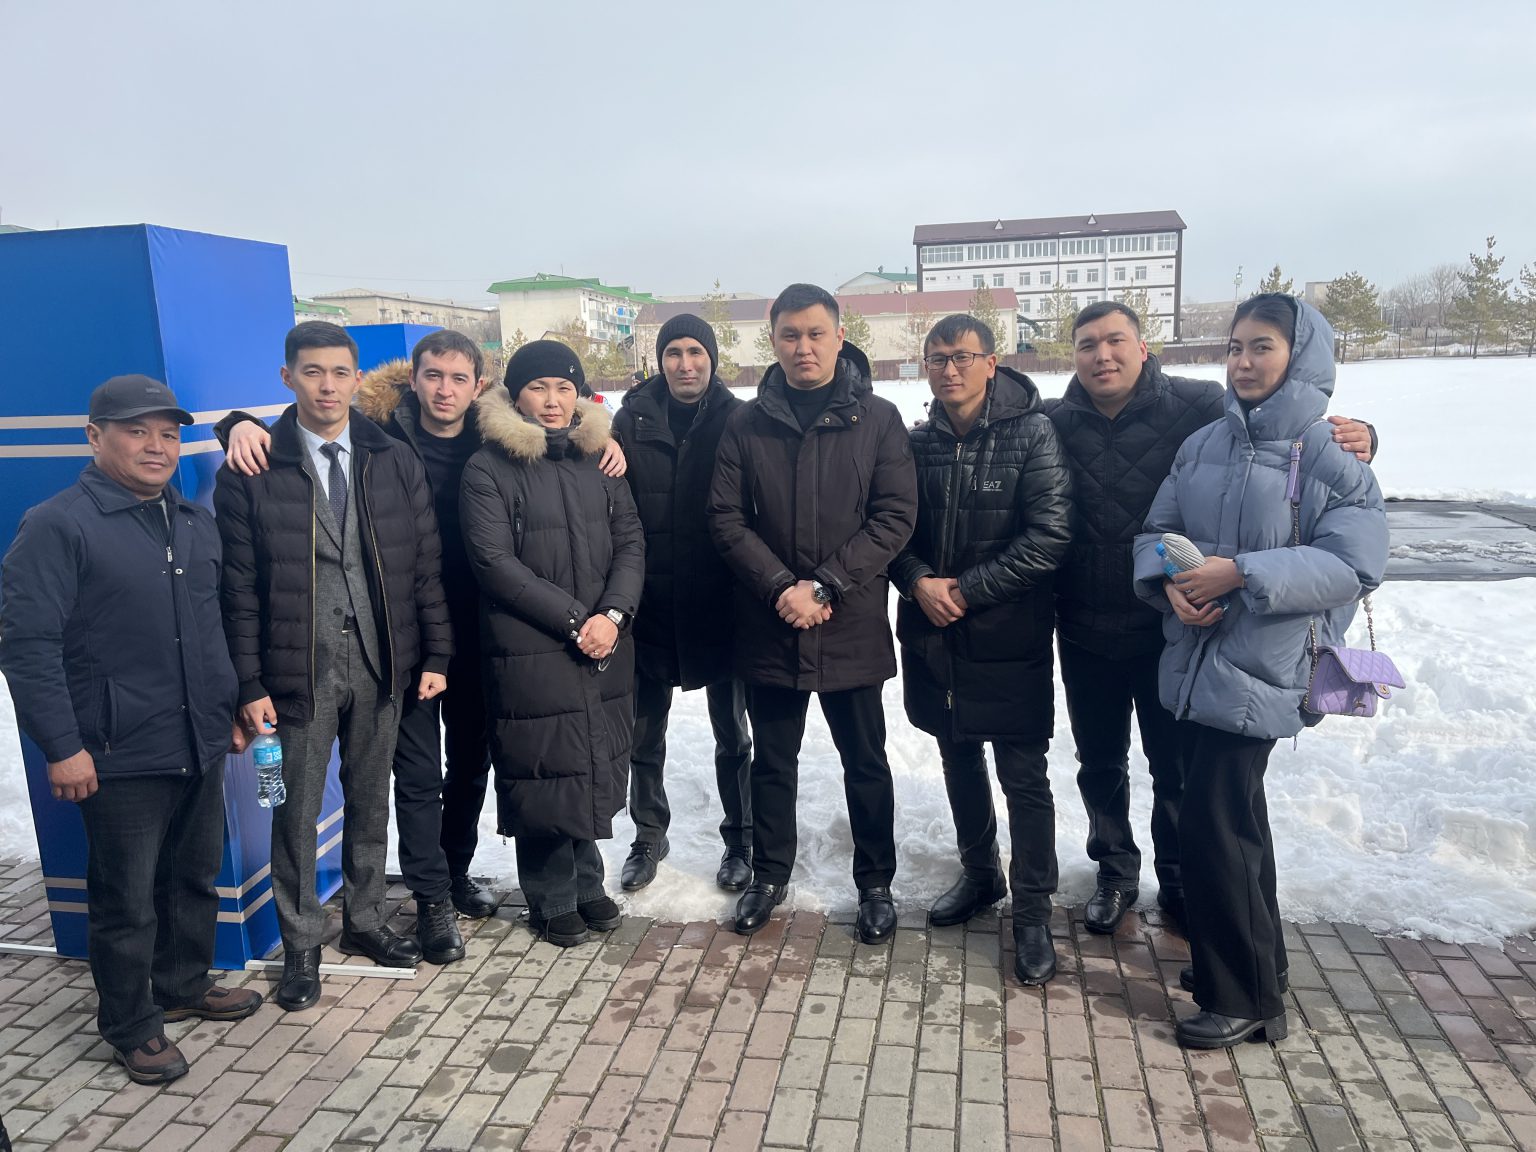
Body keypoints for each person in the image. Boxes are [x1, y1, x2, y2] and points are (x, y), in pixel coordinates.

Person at [219, 333, 630, 949]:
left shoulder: (496, 437)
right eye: (433, 376)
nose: (445, 390)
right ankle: (430, 895)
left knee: (470, 764)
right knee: (415, 774)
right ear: (411, 379)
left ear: (480, 386)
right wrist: (238, 425)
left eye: (459, 379)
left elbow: (558, 440)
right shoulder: (384, 436)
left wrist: (599, 436)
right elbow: (317, 414)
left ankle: (455, 873)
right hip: (401, 633)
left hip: (489, 630)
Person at [1047, 301, 1377, 936]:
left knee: (1176, 768)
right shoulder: (1055, 421)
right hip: (1085, 623)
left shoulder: (1195, 406)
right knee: (1100, 763)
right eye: (1087, 344)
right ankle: (1115, 872)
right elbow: (1000, 418)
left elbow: (1274, 426)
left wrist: (1363, 434)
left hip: (1179, 631)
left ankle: (1180, 878)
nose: (1101, 355)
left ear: (1143, 347)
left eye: (1115, 340)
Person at [1133, 294, 1387, 1049]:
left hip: (1267, 667)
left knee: (1216, 827)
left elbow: (1353, 564)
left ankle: (1240, 997)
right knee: (1232, 824)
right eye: (1235, 347)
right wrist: (1172, 585)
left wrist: (1240, 572)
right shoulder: (1203, 444)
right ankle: (1255, 968)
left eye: (1263, 347)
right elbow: (1157, 531)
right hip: (1195, 659)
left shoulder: (1332, 454)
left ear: (1300, 356)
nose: (1243, 362)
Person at [0, 375, 261, 1084]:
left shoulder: (192, 520)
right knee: (127, 899)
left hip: (198, 740)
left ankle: (182, 984)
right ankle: (131, 1024)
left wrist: (230, 705)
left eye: (168, 434)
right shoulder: (58, 526)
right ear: (95, 437)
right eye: (137, 431)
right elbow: (27, 647)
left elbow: (212, 627)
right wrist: (63, 747)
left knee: (193, 878)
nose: (157, 446)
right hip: (116, 753)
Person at [215, 322, 453, 1011]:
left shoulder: (392, 459)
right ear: (287, 377)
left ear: (357, 379)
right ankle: (301, 944)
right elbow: (237, 589)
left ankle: (367, 920)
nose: (327, 386)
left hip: (382, 661)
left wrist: (436, 653)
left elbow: (424, 565)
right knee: (292, 812)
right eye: (312, 372)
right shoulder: (253, 468)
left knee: (371, 801)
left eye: (340, 372)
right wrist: (249, 681)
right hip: (297, 670)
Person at [708, 283, 917, 943]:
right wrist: (780, 586)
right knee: (773, 761)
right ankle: (769, 874)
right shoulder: (746, 423)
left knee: (866, 761)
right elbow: (726, 517)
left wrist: (824, 586)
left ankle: (875, 882)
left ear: (839, 337)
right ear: (773, 340)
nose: (804, 347)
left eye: (816, 333)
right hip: (771, 623)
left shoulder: (877, 418)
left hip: (848, 621)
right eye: (790, 335)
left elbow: (895, 517)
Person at [890, 315, 1072, 984]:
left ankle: (1033, 911)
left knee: (1022, 776)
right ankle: (980, 872)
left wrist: (965, 590)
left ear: (991, 363)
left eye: (963, 356)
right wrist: (917, 581)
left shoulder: (1033, 433)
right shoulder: (916, 443)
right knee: (957, 755)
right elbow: (891, 530)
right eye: (937, 358)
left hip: (1008, 634)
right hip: (933, 635)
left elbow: (1050, 536)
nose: (950, 370)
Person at [459, 340, 644, 947]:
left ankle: (588, 883)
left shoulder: (599, 459)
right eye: (538, 387)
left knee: (587, 758)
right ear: (516, 395)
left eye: (564, 387)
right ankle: (550, 895)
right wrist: (575, 621)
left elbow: (630, 542)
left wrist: (612, 615)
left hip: (603, 639)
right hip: (531, 644)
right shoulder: (488, 467)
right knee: (542, 764)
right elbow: (494, 562)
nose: (552, 400)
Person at [612, 315, 753, 893]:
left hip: (721, 603)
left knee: (733, 733)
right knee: (643, 734)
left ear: (712, 359)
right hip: (649, 603)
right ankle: (649, 834)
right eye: (674, 352)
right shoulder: (631, 420)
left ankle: (741, 838)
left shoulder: (739, 419)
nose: (685, 364)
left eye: (696, 351)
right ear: (660, 359)